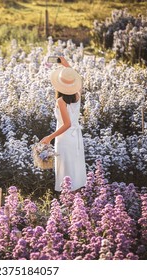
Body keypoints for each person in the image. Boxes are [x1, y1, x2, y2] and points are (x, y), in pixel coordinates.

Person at [41, 57, 86, 193]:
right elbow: (73, 77)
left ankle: (68, 201)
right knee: (75, 169)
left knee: (65, 170)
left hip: (65, 138)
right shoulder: (77, 95)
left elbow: (67, 124)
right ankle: (77, 201)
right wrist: (65, 64)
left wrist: (50, 137)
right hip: (76, 137)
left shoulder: (61, 101)